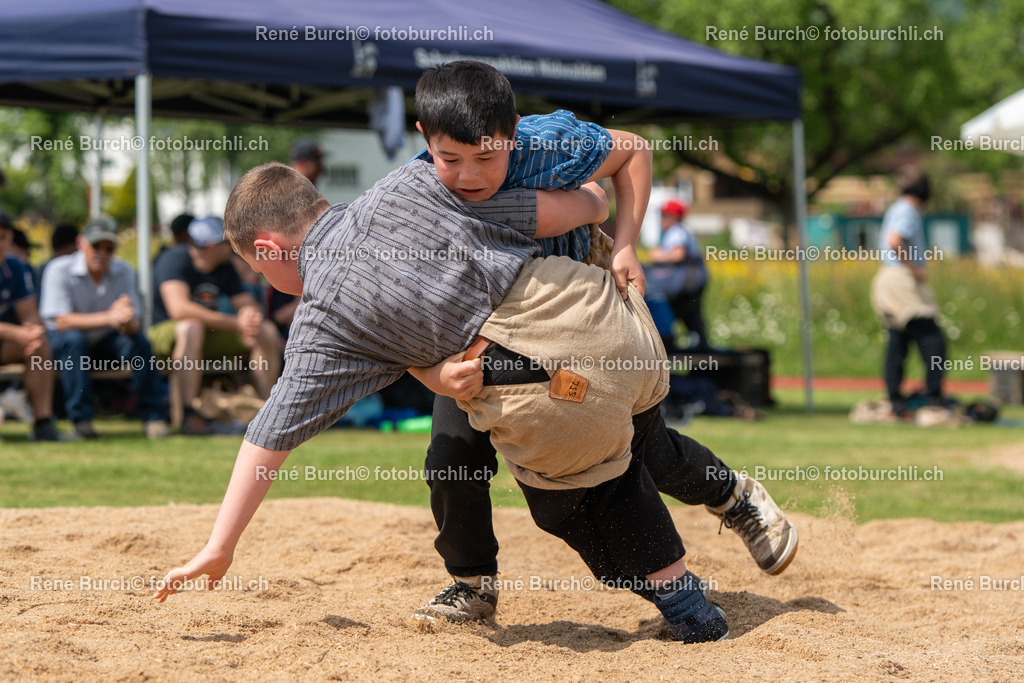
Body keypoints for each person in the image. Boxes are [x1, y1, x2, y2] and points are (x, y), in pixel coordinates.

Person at [153, 161, 737, 644]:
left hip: (538, 372)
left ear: (266, 246)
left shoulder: (322, 319)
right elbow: (542, 205)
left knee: (571, 494)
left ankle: (684, 601)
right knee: (468, 449)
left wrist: (219, 546)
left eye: (258, 267)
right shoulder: (409, 184)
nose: (262, 277)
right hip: (617, 320)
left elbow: (268, 436)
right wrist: (598, 206)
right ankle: (728, 497)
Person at [408, 60, 794, 623]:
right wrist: (437, 372)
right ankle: (472, 583)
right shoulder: (413, 192)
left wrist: (626, 244)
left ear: (512, 132)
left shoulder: (549, 145)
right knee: (450, 458)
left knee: (646, 451)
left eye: (486, 157)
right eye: (451, 159)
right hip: (482, 345)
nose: (469, 174)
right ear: (425, 138)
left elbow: (633, 148)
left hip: (576, 338)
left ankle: (734, 496)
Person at [39, 215, 170, 439]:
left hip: (106, 340)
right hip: (65, 342)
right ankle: (81, 421)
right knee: (74, 340)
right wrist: (111, 317)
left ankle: (154, 417)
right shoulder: (58, 269)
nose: (102, 252)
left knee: (139, 342)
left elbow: (134, 323)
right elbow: (61, 321)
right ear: (81, 243)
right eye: (96, 245)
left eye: (109, 248)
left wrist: (126, 320)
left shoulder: (125, 270)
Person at [148, 216, 282, 435]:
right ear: (212, 245)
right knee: (191, 326)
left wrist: (250, 315)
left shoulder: (224, 266)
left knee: (265, 330)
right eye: (229, 242)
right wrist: (234, 323)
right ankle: (189, 414)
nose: (233, 247)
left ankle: (269, 413)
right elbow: (178, 310)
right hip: (165, 333)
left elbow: (246, 304)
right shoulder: (174, 258)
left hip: (206, 333)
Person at [870, 166, 947, 417]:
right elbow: (895, 240)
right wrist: (913, 268)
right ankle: (934, 397)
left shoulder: (896, 208)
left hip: (886, 278)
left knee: (898, 341)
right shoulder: (908, 210)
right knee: (932, 339)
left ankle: (895, 400)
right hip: (901, 279)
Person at [0, 211, 69, 441]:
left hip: (6, 344)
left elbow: (29, 313)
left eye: (3, 237)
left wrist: (33, 332)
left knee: (38, 345)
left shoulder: (15, 268)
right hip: (7, 336)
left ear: (10, 239)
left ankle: (43, 424)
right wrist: (16, 332)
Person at [645, 198, 709, 350]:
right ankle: (700, 347)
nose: (663, 219)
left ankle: (668, 344)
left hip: (685, 282)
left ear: (676, 218)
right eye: (662, 215)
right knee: (691, 316)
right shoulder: (680, 230)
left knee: (667, 309)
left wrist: (657, 255)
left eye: (666, 216)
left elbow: (678, 254)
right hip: (691, 281)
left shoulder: (677, 231)